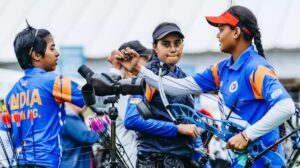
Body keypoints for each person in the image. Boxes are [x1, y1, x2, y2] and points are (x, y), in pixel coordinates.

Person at [118, 6, 295, 167]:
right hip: (241, 160)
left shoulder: (256, 68)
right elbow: (174, 87)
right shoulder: (222, 69)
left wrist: (246, 135)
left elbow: (286, 107)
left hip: (265, 160)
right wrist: (139, 69)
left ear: (236, 32)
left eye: (221, 29)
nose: (217, 35)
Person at [119, 22, 207, 168]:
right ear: (155, 47)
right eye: (166, 44)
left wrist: (204, 161)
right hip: (156, 160)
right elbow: (132, 120)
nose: (173, 49)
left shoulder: (183, 77)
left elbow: (192, 125)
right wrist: (177, 129)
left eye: (177, 43)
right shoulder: (147, 76)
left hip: (181, 160)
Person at [5, 23, 85, 167]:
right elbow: (85, 96)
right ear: (36, 55)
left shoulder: (11, 94)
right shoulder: (53, 81)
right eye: (52, 48)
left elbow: (3, 134)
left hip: (18, 163)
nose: (57, 53)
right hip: (46, 163)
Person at [61, 103, 100, 168]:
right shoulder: (69, 118)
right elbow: (88, 137)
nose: (85, 104)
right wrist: (102, 123)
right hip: (73, 164)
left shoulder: (68, 116)